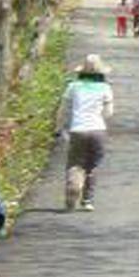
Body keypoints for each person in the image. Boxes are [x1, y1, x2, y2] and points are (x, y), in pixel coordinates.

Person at [57, 55, 115, 211]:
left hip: (77, 129)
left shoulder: (73, 86)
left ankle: (72, 190)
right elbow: (109, 113)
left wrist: (60, 127)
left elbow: (63, 109)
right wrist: (98, 119)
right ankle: (87, 200)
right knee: (92, 165)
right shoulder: (105, 88)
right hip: (97, 130)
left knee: (75, 163)